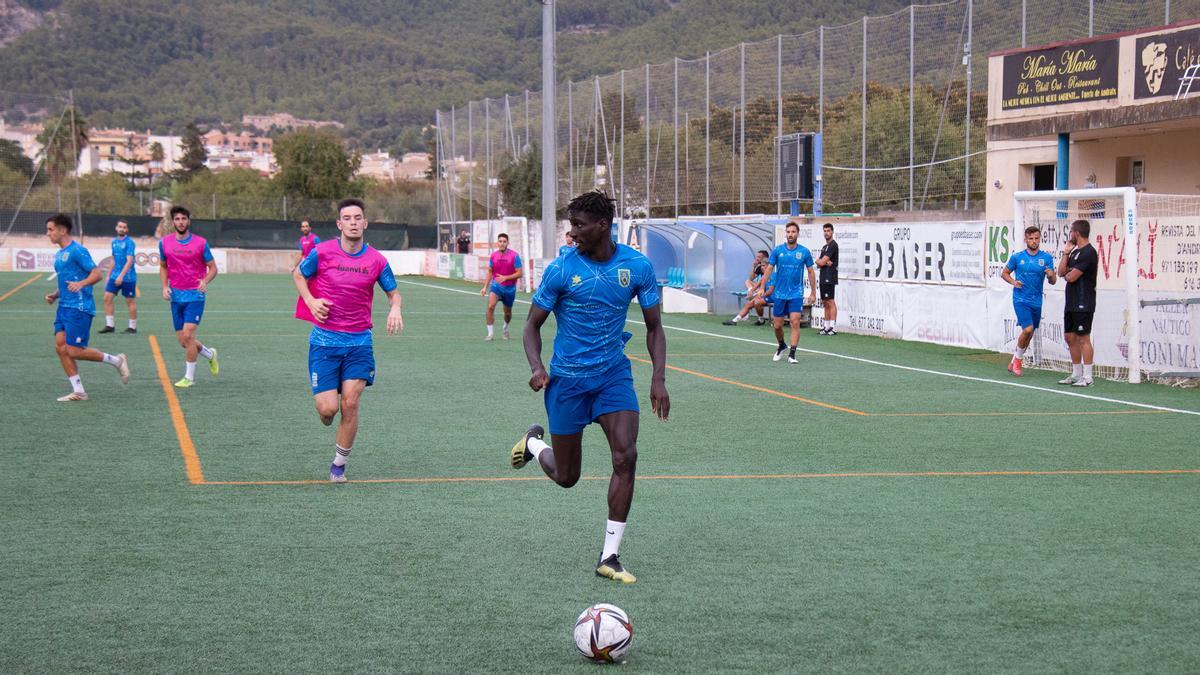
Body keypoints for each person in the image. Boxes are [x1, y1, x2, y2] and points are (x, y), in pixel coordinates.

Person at [510, 190, 669, 584]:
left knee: (626, 455)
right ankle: (534, 444)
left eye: (579, 225)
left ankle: (610, 556)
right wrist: (536, 367)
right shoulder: (561, 270)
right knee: (567, 477)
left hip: (613, 376)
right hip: (567, 382)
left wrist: (658, 378)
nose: (573, 232)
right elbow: (531, 326)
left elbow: (654, 327)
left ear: (603, 225)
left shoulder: (637, 267)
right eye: (571, 225)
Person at [294, 198, 404, 482]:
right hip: (324, 343)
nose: (353, 222)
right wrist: (310, 300)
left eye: (358, 217)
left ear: (365, 223)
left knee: (351, 404)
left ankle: (338, 466)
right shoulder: (323, 252)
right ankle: (328, 410)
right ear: (339, 224)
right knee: (328, 410)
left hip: (359, 344)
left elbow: (393, 292)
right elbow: (298, 274)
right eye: (348, 218)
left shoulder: (377, 260)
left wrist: (395, 307)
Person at [43, 214, 130, 401]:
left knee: (74, 350)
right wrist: (55, 295)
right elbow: (67, 280)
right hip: (64, 306)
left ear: (62, 230)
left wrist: (81, 284)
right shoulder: (59, 255)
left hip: (79, 307)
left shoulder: (77, 250)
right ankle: (79, 391)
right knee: (61, 348)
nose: (48, 233)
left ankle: (116, 360)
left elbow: (97, 273)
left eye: (50, 229)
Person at [159, 206, 219, 388]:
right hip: (176, 297)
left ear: (189, 221)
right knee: (184, 341)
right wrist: (164, 286)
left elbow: (213, 268)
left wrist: (205, 281)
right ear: (173, 222)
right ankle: (210, 355)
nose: (181, 222)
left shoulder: (200, 243)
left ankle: (189, 377)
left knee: (188, 334)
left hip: (195, 296)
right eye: (177, 219)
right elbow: (163, 266)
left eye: (184, 219)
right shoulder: (165, 243)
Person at [1000, 226, 1057, 376]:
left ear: (1040, 239)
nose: (1034, 241)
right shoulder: (1017, 257)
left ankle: (1014, 360)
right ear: (1025, 239)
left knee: (1029, 333)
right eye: (1031, 239)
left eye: (1036, 238)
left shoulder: (1046, 258)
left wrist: (1051, 275)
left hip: (1036, 300)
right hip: (1020, 298)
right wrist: (1013, 282)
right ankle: (1019, 361)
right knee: (1028, 329)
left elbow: (1053, 281)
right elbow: (1004, 273)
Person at [760, 222, 816, 363]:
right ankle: (781, 345)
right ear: (786, 234)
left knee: (795, 322)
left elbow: (810, 271)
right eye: (788, 232)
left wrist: (813, 292)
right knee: (777, 325)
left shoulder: (804, 252)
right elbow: (768, 269)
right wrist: (762, 287)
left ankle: (792, 354)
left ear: (798, 233)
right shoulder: (778, 250)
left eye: (793, 232)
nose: (790, 234)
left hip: (796, 293)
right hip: (779, 294)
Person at [1057, 219, 1098, 387]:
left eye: (1071, 231)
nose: (1070, 234)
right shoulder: (1073, 252)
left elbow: (1071, 277)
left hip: (1084, 302)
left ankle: (1088, 377)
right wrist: (1066, 254)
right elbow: (1060, 272)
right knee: (1069, 337)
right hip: (1071, 302)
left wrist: (1069, 273)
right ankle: (1076, 373)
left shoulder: (1089, 252)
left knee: (1083, 338)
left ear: (1077, 233)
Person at [480, 233, 523, 341]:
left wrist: (506, 277)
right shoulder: (493, 256)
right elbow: (490, 272)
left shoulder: (514, 256)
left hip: (510, 288)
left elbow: (520, 273)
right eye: (500, 241)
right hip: (496, 286)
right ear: (497, 243)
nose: (502, 243)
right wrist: (485, 287)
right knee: (490, 306)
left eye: (504, 241)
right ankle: (490, 334)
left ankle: (505, 328)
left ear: (508, 243)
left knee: (507, 312)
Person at [99, 219, 138, 334]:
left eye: (124, 227)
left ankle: (132, 327)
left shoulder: (130, 242)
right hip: (115, 275)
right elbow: (114, 259)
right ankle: (110, 325)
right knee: (107, 298)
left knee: (129, 301)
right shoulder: (114, 242)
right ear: (116, 228)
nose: (122, 229)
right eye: (120, 226)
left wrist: (121, 276)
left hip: (128, 277)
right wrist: (108, 276)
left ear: (127, 229)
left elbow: (129, 261)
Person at [723, 250, 771, 326]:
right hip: (764, 295)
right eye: (761, 266)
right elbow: (756, 283)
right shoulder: (763, 276)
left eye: (764, 266)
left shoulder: (774, 275)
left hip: (772, 296)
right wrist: (751, 291)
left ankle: (763, 320)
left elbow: (771, 290)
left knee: (756, 301)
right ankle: (734, 321)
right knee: (750, 302)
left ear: (769, 267)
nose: (762, 267)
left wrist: (761, 294)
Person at [292, 220, 322, 321]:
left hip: (314, 264)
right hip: (305, 264)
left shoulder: (315, 238)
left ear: (310, 228)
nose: (305, 228)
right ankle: (305, 310)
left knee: (314, 286)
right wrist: (294, 266)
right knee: (303, 286)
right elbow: (301, 254)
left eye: (306, 226)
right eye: (303, 226)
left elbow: (320, 251)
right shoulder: (301, 240)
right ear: (301, 229)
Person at [815, 223, 839, 335]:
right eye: (824, 231)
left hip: (830, 276)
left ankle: (833, 328)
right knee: (825, 302)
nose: (826, 233)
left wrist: (820, 261)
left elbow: (821, 261)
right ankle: (826, 326)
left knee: (830, 301)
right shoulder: (825, 247)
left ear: (832, 232)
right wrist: (821, 262)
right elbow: (820, 264)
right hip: (823, 275)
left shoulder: (833, 245)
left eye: (828, 230)